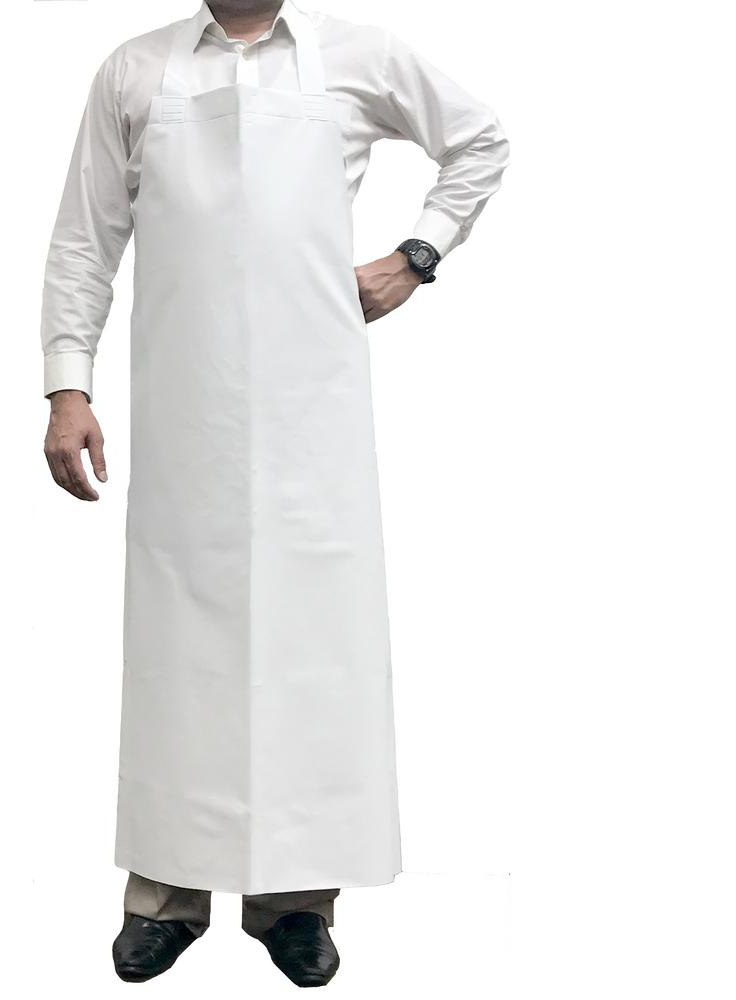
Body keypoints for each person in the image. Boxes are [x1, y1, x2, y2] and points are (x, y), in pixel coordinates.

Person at [40, 0, 508, 986]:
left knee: (309, 653)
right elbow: (85, 237)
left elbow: (478, 139)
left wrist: (417, 257)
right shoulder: (134, 70)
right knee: (178, 655)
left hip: (312, 416)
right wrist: (68, 383)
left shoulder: (358, 54)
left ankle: (295, 900)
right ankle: (165, 895)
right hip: (186, 408)